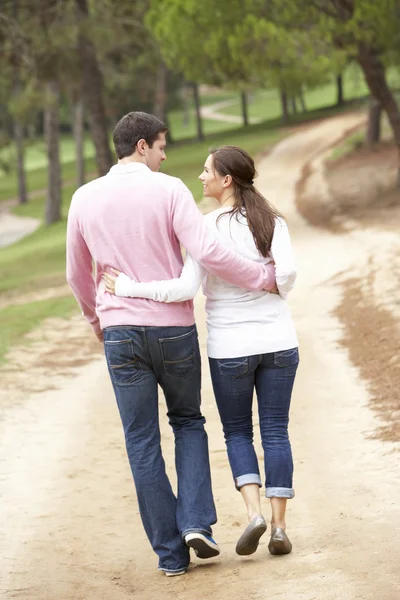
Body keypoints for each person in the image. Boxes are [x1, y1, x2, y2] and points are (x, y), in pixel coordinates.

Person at [66, 113, 276, 577]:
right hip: (174, 332)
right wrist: (263, 276)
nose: (164, 155)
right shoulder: (170, 190)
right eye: (161, 146)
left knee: (141, 441)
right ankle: (197, 522)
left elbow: (76, 274)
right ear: (142, 146)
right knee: (187, 422)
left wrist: (95, 319)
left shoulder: (83, 198)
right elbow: (210, 253)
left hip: (121, 332)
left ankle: (170, 555)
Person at [102, 145, 299, 558]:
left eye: (207, 171)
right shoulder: (272, 221)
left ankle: (253, 515)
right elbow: (289, 274)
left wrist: (127, 288)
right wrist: (268, 282)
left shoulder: (204, 228)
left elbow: (183, 289)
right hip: (279, 340)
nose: (201, 177)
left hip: (230, 348)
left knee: (238, 431)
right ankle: (280, 525)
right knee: (276, 430)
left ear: (227, 180)